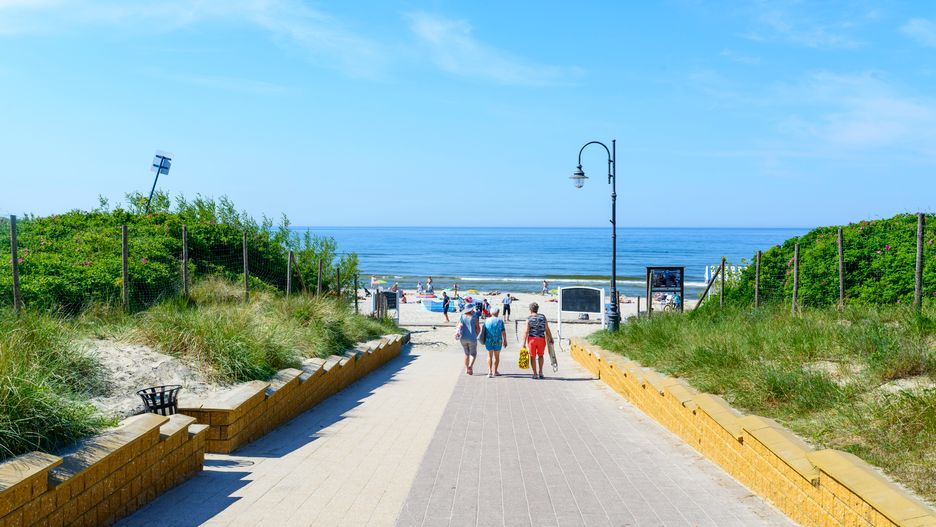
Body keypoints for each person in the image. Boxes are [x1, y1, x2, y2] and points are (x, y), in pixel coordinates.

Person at [522, 302, 553, 379]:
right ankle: (541, 372)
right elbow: (547, 329)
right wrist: (551, 338)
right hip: (541, 339)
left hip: (532, 339)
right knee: (541, 355)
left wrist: (523, 343)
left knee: (532, 356)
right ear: (537, 309)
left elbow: (526, 331)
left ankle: (535, 374)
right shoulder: (543, 317)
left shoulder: (529, 318)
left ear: (530, 310)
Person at [483, 308, 507, 378]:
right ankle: (495, 371)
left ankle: (489, 372)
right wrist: (505, 340)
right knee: (497, 356)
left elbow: (484, 330)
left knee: (489, 356)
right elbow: (503, 331)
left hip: (488, 340)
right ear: (497, 313)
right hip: (498, 340)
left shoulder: (487, 320)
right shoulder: (500, 321)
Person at [458, 304, 481, 375]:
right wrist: (477, 335)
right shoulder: (475, 316)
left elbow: (458, 325)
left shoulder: (462, 316)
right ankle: (470, 367)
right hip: (472, 337)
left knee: (466, 353)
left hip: (462, 338)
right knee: (473, 353)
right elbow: (478, 328)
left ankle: (466, 369)